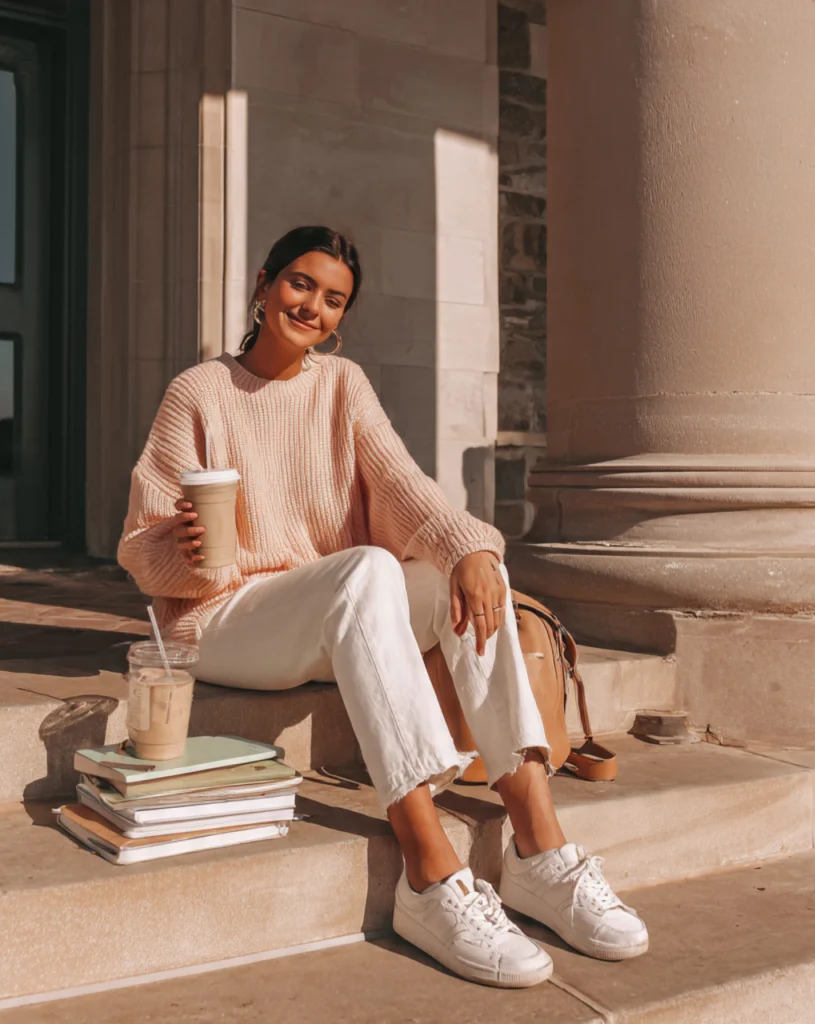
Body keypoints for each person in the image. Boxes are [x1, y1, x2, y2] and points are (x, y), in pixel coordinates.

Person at [118, 226, 648, 987]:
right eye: (301, 284)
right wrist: (192, 546)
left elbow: (403, 485)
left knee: (464, 577)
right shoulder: (198, 392)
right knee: (368, 568)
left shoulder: (343, 385)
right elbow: (141, 548)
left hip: (333, 609)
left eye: (334, 300)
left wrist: (472, 549)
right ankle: (428, 872)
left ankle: (540, 847)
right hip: (223, 619)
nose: (313, 307)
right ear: (264, 284)